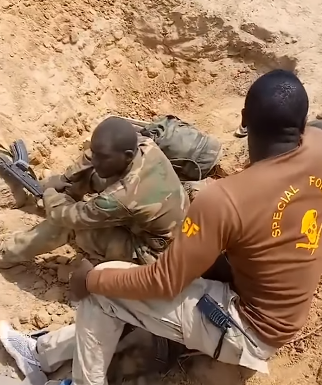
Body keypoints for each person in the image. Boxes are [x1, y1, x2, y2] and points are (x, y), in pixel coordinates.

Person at [2, 69, 321, 385]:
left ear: (243, 119)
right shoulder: (318, 148)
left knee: (104, 286)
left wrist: (92, 278)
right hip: (286, 309)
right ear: (302, 124)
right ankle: (41, 353)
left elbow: (163, 281)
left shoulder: (224, 199)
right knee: (124, 292)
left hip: (248, 328)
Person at [0, 117, 188, 268]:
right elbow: (93, 156)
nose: (96, 161)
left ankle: (7, 254)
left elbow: (72, 218)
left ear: (128, 156)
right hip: (164, 222)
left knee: (71, 227)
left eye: (103, 157)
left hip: (154, 252)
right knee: (92, 174)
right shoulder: (144, 145)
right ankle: (66, 196)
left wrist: (50, 194)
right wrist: (66, 179)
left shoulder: (122, 196)